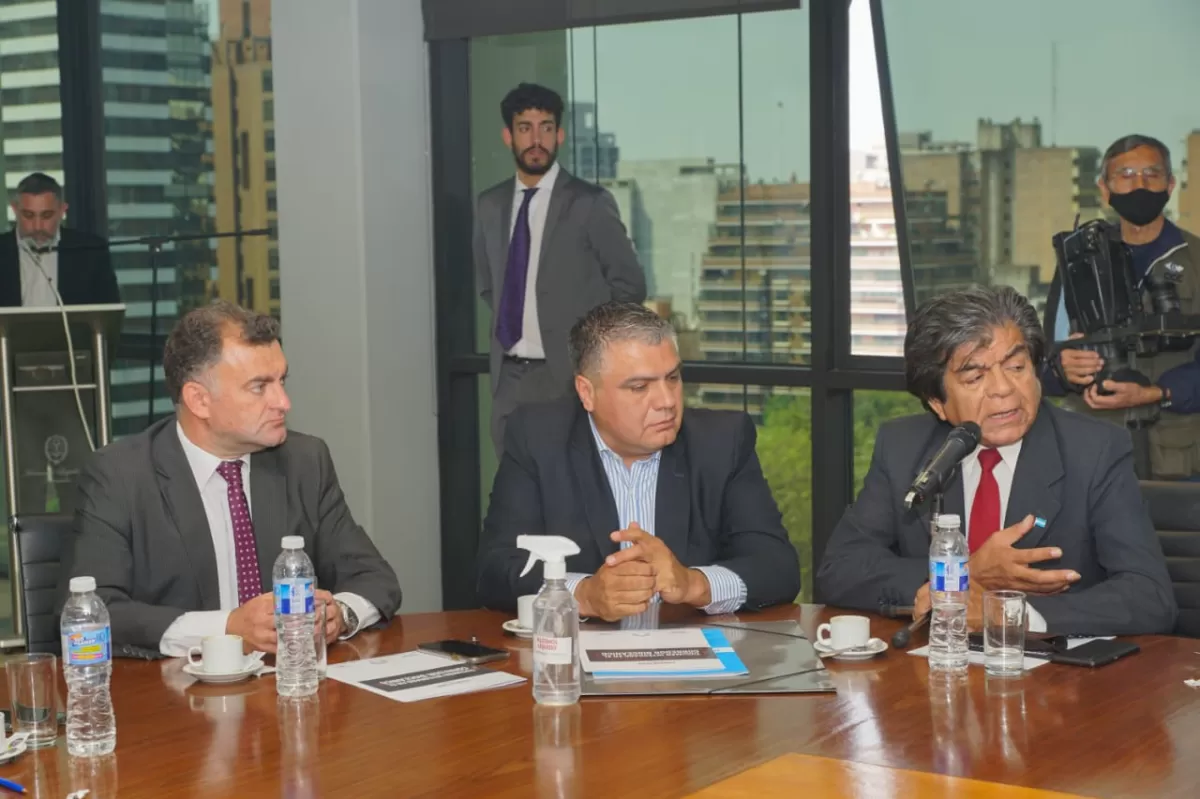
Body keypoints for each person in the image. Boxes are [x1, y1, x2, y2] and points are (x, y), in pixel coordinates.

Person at [818, 286, 1176, 636]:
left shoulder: (1095, 449)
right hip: (936, 672)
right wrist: (964, 575)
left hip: (1057, 683)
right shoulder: (903, 447)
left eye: (1016, 366)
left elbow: (1150, 596)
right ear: (936, 402)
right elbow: (840, 569)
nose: (1003, 389)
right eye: (975, 376)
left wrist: (1011, 616)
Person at [58, 301, 402, 657]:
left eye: (282, 381)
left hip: (287, 688)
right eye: (259, 387)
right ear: (199, 400)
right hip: (175, 698)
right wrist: (227, 628)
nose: (283, 402)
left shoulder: (304, 462)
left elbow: (376, 580)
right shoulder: (120, 476)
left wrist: (339, 616)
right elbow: (91, 612)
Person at [476, 301, 800, 620]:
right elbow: (495, 570)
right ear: (587, 393)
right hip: (575, 662)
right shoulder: (538, 440)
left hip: (690, 662)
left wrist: (694, 584)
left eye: (672, 379)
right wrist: (584, 594)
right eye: (640, 387)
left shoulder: (721, 442)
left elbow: (778, 568)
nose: (666, 401)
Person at [474, 83, 646, 457]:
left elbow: (630, 286)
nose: (536, 139)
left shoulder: (590, 203)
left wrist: (592, 354)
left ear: (560, 135)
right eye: (525, 128)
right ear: (509, 136)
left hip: (569, 380)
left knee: (568, 500)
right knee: (514, 501)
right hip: (509, 381)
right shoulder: (489, 206)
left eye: (546, 127)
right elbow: (490, 287)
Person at [1044, 134, 1200, 479]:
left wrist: (1159, 392)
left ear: (1170, 184)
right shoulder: (1077, 261)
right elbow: (1043, 361)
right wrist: (1062, 367)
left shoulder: (1196, 261)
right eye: (1126, 175)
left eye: (1151, 175)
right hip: (1090, 456)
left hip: (1178, 461)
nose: (1140, 185)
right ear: (1105, 189)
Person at [0, 172, 119, 307]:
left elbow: (109, 315)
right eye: (28, 215)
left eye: (46, 215)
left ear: (62, 210)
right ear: (15, 210)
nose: (37, 226)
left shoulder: (90, 251)